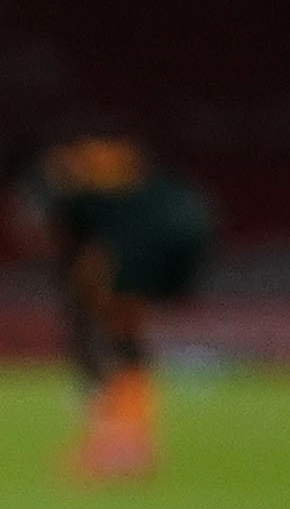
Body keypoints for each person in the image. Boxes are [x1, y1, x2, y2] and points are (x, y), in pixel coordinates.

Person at [34, 130, 209, 484]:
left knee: (116, 340)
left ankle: (123, 442)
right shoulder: (149, 191)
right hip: (166, 251)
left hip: (138, 257)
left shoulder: (90, 195)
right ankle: (129, 437)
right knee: (123, 339)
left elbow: (77, 244)